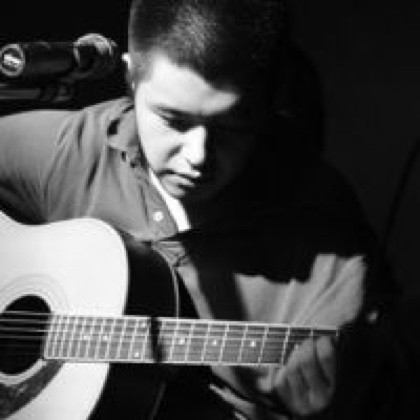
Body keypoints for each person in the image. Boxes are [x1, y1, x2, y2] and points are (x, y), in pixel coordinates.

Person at [0, 0, 394, 418]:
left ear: (270, 101)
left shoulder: (321, 221)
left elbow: (383, 384)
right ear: (131, 78)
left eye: (233, 125)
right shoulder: (76, 151)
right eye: (173, 119)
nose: (198, 155)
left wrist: (336, 408)